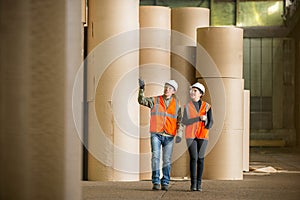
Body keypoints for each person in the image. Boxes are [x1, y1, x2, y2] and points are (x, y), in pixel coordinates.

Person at [138, 79, 183, 191]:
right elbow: (141, 100)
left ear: (174, 91)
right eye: (166, 87)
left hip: (169, 136)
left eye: (170, 88)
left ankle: (165, 182)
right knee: (155, 158)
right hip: (156, 134)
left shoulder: (177, 104)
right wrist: (142, 89)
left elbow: (180, 121)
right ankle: (156, 181)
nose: (167, 89)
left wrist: (179, 134)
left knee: (166, 160)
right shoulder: (155, 100)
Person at [182, 82, 213, 191]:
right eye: (191, 90)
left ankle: (199, 184)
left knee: (200, 158)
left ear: (201, 93)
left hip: (202, 135)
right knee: (193, 158)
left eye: (195, 91)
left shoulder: (207, 106)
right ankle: (193, 184)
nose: (192, 92)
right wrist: (198, 118)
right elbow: (184, 121)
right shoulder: (186, 106)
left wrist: (206, 121)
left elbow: (211, 123)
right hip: (190, 135)